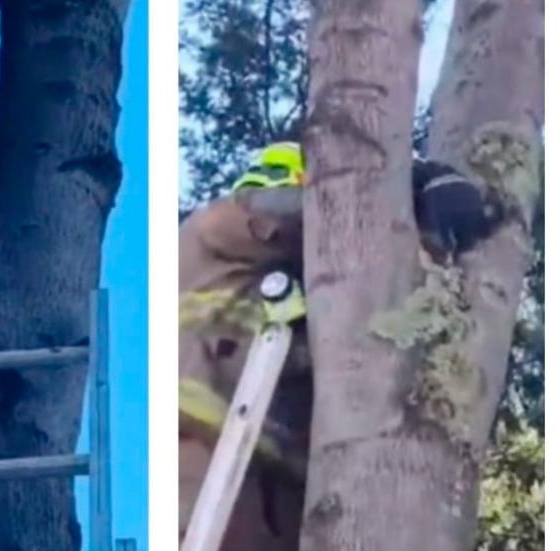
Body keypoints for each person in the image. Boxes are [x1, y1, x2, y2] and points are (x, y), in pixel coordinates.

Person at [178, 141, 497, 549]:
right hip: (203, 465)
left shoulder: (295, 293)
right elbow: (312, 211)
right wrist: (413, 184)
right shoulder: (216, 226)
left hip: (278, 497)